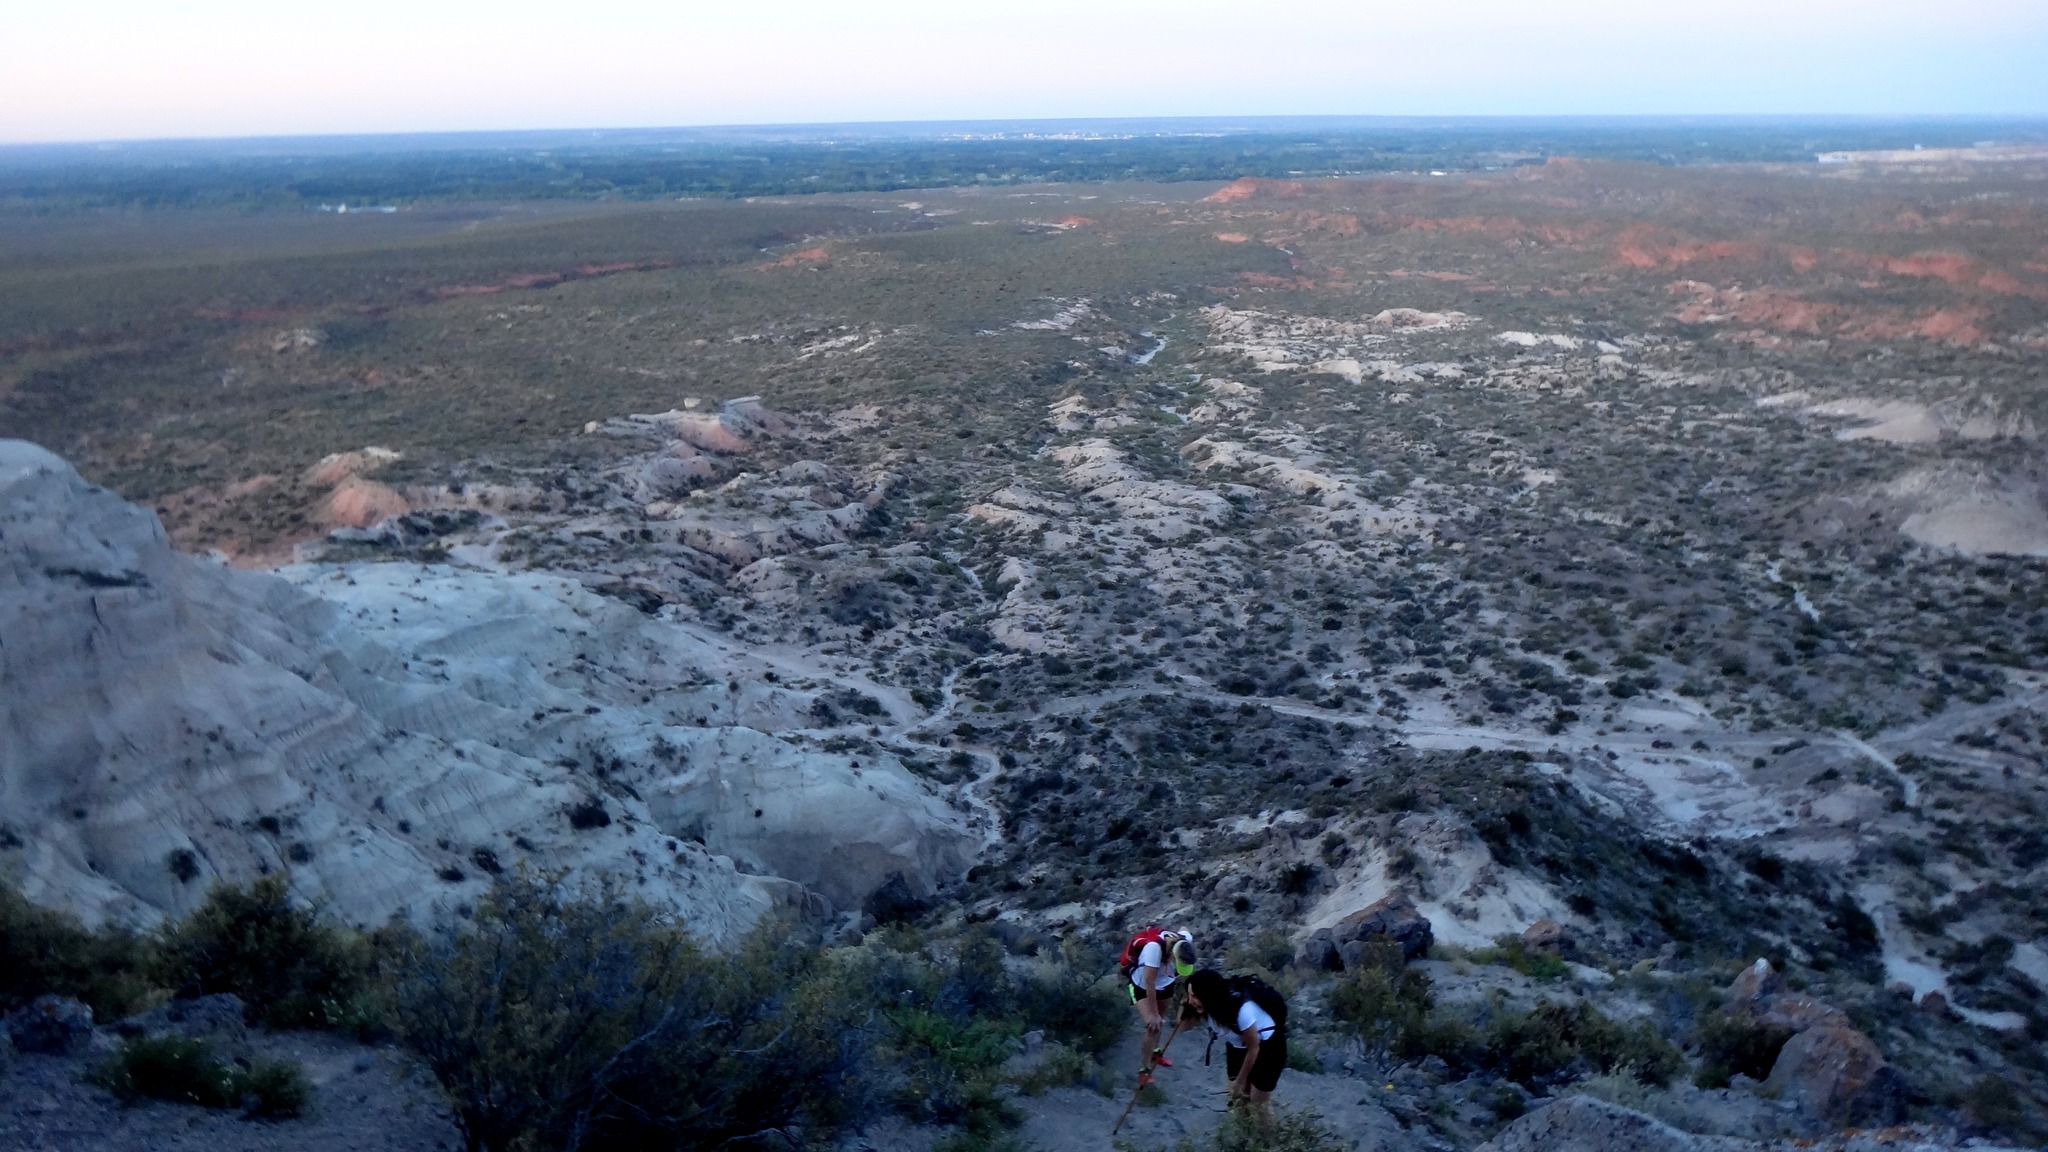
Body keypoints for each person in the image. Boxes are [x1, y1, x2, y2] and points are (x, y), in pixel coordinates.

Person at [1184, 968, 1288, 1122]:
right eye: (1189, 995)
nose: (1190, 1000)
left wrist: (1239, 1081)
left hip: (1268, 1048)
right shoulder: (1207, 1007)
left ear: (1208, 996)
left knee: (1258, 1104)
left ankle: (1269, 1143)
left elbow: (1254, 1048)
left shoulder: (1242, 1011)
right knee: (1239, 1100)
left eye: (1194, 996)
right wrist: (1185, 1004)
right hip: (1237, 1046)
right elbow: (1182, 1027)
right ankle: (1246, 1136)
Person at [1118, 927, 1196, 1085]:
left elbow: (1184, 929)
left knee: (1161, 1019)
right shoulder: (1153, 949)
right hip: (1141, 986)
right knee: (1153, 1026)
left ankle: (1155, 1052)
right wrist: (1153, 1014)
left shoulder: (1184, 940)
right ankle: (1144, 1069)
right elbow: (1149, 982)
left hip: (1165, 983)